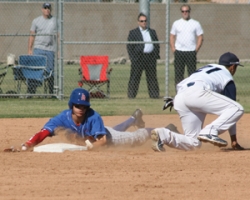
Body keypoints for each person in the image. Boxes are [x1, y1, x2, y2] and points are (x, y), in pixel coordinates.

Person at [5, 88, 159, 152]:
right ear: (72, 105)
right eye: (78, 105)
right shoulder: (62, 118)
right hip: (103, 133)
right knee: (110, 129)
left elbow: (104, 141)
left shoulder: (93, 116)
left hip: (112, 140)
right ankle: (133, 118)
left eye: (84, 106)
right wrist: (27, 145)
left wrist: (89, 148)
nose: (81, 108)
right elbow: (43, 133)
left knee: (136, 137)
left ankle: (163, 131)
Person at [151, 52, 245, 152]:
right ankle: (210, 130)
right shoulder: (227, 76)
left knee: (194, 143)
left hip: (179, 97)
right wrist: (233, 140)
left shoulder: (206, 68)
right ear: (233, 66)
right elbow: (232, 110)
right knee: (237, 108)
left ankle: (163, 135)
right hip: (197, 94)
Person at [127, 12, 160, 99]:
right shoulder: (133, 32)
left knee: (152, 77)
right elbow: (129, 46)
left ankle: (154, 95)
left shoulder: (152, 32)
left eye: (145, 21)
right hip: (139, 58)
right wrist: (133, 58)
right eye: (141, 21)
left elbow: (156, 44)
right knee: (135, 77)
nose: (143, 22)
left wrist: (156, 54)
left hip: (150, 57)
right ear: (138, 22)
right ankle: (131, 95)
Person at [28, 2, 57, 95]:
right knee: (35, 71)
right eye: (45, 8)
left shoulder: (55, 21)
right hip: (38, 49)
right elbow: (32, 35)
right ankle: (31, 92)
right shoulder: (36, 21)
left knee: (50, 72)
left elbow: (58, 37)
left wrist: (58, 50)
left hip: (50, 50)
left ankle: (51, 92)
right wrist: (30, 49)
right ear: (42, 9)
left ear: (50, 10)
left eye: (48, 8)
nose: (47, 10)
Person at [170, 4, 204, 86]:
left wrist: (196, 50)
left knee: (192, 74)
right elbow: (172, 36)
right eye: (183, 11)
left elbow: (200, 37)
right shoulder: (176, 23)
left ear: (189, 12)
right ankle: (179, 92)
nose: (185, 13)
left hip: (191, 52)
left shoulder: (195, 23)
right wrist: (173, 49)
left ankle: (191, 91)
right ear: (181, 12)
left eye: (187, 11)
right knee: (178, 74)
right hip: (179, 52)